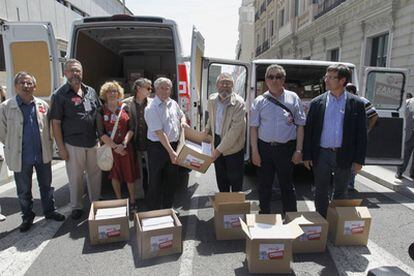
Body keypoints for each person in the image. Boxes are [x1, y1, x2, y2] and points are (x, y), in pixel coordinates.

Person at [0, 72, 65, 232]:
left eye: (29, 83)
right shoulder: (6, 107)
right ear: (16, 86)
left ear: (35, 87)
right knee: (23, 190)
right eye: (22, 83)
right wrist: (11, 146)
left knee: (46, 185)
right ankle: (27, 217)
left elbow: (50, 128)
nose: (26, 86)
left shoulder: (42, 105)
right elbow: (2, 132)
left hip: (42, 153)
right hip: (20, 156)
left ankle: (50, 211)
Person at [303, 64, 367, 218]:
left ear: (342, 80)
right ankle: (322, 221)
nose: (327, 80)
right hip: (322, 154)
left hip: (344, 155)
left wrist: (359, 160)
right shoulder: (317, 103)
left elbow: (362, 135)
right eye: (326, 76)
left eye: (331, 77)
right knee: (321, 190)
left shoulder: (356, 104)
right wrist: (307, 155)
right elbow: (309, 131)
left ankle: (335, 222)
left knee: (340, 191)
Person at [250, 64, 306, 214]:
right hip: (264, 149)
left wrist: (299, 150)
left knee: (287, 185)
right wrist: (254, 152)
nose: (274, 80)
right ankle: (265, 217)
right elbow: (253, 128)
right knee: (264, 186)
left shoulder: (293, 98)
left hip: (286, 149)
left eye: (278, 77)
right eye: (271, 77)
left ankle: (290, 217)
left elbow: (301, 125)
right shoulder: (259, 101)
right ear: (266, 80)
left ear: (283, 80)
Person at [50, 59, 102, 220]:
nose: (75, 74)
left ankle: (96, 203)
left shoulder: (91, 91)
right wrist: (61, 148)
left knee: (95, 175)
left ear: (82, 73)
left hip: (93, 141)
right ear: (65, 73)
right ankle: (77, 206)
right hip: (73, 144)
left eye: (78, 71)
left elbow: (99, 114)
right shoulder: (59, 95)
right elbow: (56, 123)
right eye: (71, 71)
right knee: (75, 177)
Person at [144, 77, 188, 210]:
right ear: (156, 90)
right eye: (161, 88)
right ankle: (153, 211)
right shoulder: (151, 108)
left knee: (171, 179)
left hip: (173, 146)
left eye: (167, 88)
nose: (164, 90)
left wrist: (183, 122)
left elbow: (182, 115)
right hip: (158, 148)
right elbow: (159, 133)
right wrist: (172, 153)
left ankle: (168, 207)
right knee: (155, 181)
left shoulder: (173, 103)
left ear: (170, 90)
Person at [97, 81, 138, 211]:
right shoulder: (100, 111)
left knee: (129, 174)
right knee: (114, 175)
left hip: (126, 148)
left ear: (119, 93)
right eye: (109, 91)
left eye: (115, 91)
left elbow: (132, 128)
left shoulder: (125, 108)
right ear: (104, 94)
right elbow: (101, 133)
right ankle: (119, 200)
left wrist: (124, 144)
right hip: (111, 149)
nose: (112, 94)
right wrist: (116, 147)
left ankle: (132, 200)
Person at [204, 73, 246, 192]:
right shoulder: (212, 99)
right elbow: (210, 118)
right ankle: (224, 205)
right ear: (217, 85)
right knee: (221, 178)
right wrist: (206, 131)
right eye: (222, 83)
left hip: (233, 147)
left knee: (235, 180)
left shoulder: (239, 103)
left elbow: (234, 131)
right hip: (217, 140)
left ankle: (236, 208)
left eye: (228, 83)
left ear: (233, 86)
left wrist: (217, 151)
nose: (225, 86)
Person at [123, 78, 153, 199]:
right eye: (148, 88)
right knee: (136, 171)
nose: (151, 90)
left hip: (149, 143)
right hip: (134, 143)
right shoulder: (126, 104)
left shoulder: (153, 103)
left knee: (152, 171)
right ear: (138, 89)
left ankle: (152, 194)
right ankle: (138, 195)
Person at [346, 83, 378, 191]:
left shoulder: (362, 101)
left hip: (357, 137)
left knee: (354, 159)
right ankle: (346, 182)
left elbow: (374, 115)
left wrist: (367, 130)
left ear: (351, 92)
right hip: (347, 136)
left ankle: (350, 183)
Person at [396, 96, 414, 179]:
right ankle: (399, 172)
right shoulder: (408, 102)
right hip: (409, 132)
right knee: (405, 154)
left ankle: (413, 174)